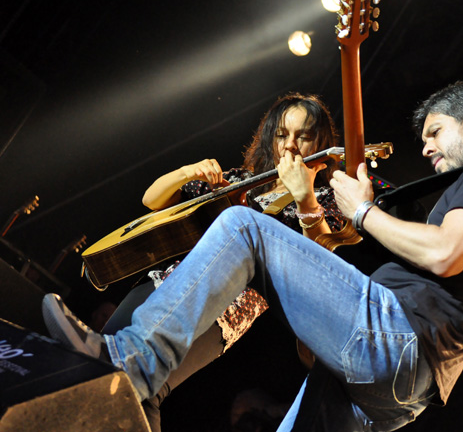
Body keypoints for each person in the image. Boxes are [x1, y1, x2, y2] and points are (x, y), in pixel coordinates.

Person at [42, 81, 463, 431]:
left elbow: (444, 254)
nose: (428, 148)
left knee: (242, 226)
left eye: (435, 133)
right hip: (407, 389)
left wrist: (363, 210)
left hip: (396, 337)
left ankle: (131, 360)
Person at [98, 92, 345, 430]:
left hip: (222, 312)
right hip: (165, 282)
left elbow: (318, 262)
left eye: (303, 135)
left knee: (144, 390)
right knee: (96, 366)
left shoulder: (325, 199)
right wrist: (188, 171)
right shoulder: (242, 181)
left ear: (320, 141)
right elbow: (151, 199)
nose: (290, 145)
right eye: (282, 134)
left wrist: (304, 196)